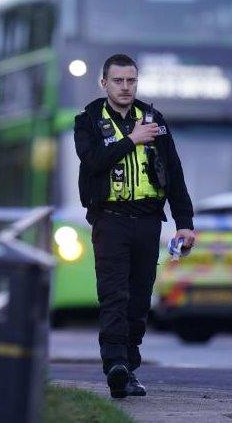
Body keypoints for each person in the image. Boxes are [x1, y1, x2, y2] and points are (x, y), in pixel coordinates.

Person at [73, 53, 195, 398]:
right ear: (104, 83)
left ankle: (128, 367)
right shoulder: (88, 120)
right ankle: (115, 364)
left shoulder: (155, 120)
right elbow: (93, 160)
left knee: (139, 300)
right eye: (118, 81)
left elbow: (174, 174)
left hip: (147, 222)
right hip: (109, 220)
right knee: (114, 296)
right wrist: (131, 140)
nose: (125, 87)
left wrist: (184, 223)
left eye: (131, 81)